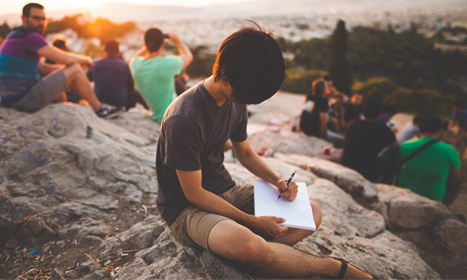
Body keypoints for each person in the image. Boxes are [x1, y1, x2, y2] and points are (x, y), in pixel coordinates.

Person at [156, 24, 373, 279]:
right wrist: (252, 222)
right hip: (187, 209)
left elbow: (245, 153)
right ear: (224, 77)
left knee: (311, 212)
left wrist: (277, 181)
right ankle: (331, 268)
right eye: (246, 97)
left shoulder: (235, 97)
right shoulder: (184, 118)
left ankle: (247, 255)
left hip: (227, 191)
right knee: (249, 245)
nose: (246, 103)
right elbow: (194, 193)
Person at [0, 3, 124, 118]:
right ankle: (100, 109)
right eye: (36, 18)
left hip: (11, 99)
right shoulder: (30, 37)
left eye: (43, 19)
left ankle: (64, 108)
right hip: (23, 99)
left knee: (67, 72)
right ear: (24, 18)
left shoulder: (15, 35)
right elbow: (66, 59)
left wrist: (64, 75)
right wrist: (87, 60)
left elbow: (41, 68)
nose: (41, 23)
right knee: (75, 69)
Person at [130, 28, 193, 123]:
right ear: (163, 45)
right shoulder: (167, 64)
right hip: (175, 115)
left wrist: (147, 46)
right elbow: (188, 56)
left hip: (157, 115)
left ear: (145, 44)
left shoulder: (135, 64)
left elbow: (134, 57)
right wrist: (178, 41)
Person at [397, 117, 463, 205]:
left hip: (403, 195)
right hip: (432, 198)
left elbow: (396, 168)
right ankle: (445, 207)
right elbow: (456, 178)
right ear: (440, 130)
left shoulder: (406, 145)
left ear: (419, 129)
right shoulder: (450, 150)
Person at [342, 100, 397, 182]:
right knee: (391, 153)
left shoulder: (352, 124)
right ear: (379, 115)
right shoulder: (384, 131)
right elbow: (395, 148)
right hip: (367, 171)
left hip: (346, 164)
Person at [88, 39, 147, 110]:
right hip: (120, 103)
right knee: (135, 93)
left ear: (105, 51)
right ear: (118, 52)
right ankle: (148, 109)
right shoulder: (124, 66)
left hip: (100, 102)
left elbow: (88, 79)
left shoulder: (95, 64)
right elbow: (130, 87)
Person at [299, 78, 344, 148]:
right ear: (324, 90)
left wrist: (300, 128)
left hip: (305, 129)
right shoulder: (323, 102)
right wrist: (324, 139)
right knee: (342, 140)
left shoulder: (310, 97)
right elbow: (323, 123)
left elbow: (306, 113)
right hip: (315, 133)